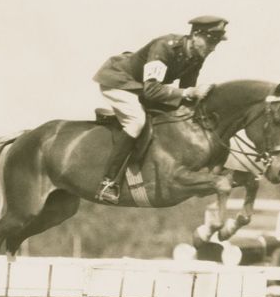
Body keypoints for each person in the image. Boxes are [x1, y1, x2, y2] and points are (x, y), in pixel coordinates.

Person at [91, 15, 228, 203]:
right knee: (136, 121)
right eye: (210, 41)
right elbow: (152, 90)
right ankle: (108, 182)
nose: (212, 48)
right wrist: (189, 92)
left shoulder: (196, 56)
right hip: (118, 80)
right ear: (195, 35)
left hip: (141, 86)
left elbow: (184, 94)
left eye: (216, 44)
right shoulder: (165, 46)